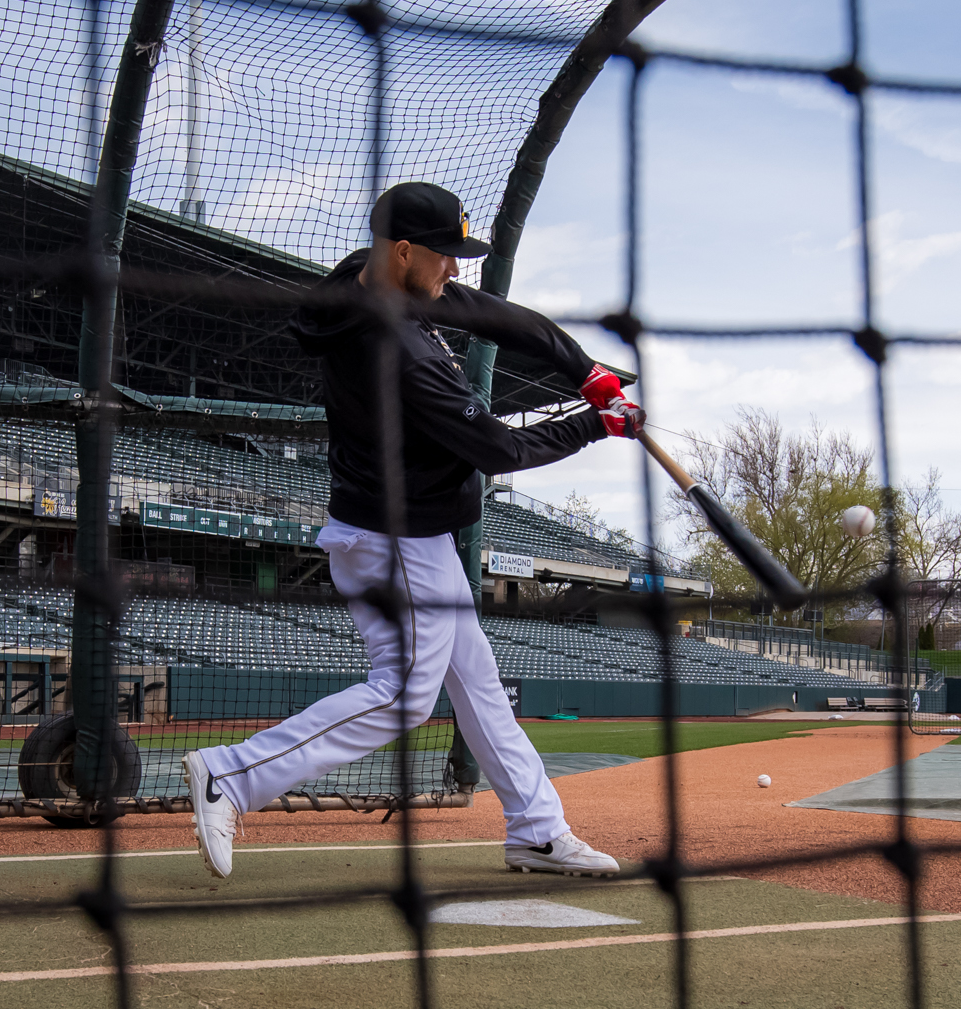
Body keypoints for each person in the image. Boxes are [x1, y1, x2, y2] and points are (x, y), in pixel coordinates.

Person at [183, 181, 643, 881]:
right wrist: (595, 424)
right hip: (396, 542)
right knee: (402, 694)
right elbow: (499, 450)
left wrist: (586, 371)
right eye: (445, 256)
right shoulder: (396, 348)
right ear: (403, 251)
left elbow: (500, 316)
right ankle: (231, 775)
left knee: (479, 685)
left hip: (406, 536)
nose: (455, 270)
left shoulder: (370, 280)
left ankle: (538, 831)